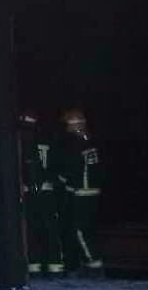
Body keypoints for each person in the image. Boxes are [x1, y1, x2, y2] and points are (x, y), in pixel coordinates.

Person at [52, 107, 105, 273]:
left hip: (82, 192)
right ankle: (88, 262)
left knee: (79, 230)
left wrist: (61, 181)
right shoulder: (91, 141)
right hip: (91, 191)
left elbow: (73, 168)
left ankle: (93, 263)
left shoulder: (78, 144)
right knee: (87, 228)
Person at [16, 110, 62, 277]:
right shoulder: (48, 140)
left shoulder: (22, 141)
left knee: (33, 230)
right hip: (47, 191)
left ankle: (36, 267)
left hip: (31, 192)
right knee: (50, 230)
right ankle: (54, 267)